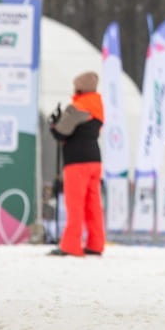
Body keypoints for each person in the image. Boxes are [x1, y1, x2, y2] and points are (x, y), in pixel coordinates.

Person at [48, 71, 105, 257]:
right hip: (95, 160)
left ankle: (71, 245)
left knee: (75, 205)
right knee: (93, 204)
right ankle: (96, 244)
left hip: (77, 161)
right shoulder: (97, 105)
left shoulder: (77, 107)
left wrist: (53, 123)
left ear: (80, 87)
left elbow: (61, 133)